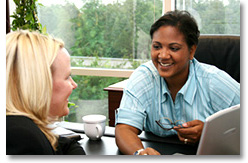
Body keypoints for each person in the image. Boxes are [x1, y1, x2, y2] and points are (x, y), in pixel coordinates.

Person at [115, 10, 240, 155]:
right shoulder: (144, 77)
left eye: (173, 48)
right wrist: (140, 153)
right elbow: (124, 128)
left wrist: (210, 133)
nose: (163, 56)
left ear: (191, 51)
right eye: (157, 46)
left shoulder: (213, 81)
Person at [6, 30, 85, 155]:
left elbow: (60, 143)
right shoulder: (21, 137)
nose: (74, 85)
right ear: (40, 83)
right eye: (67, 77)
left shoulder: (19, 126)